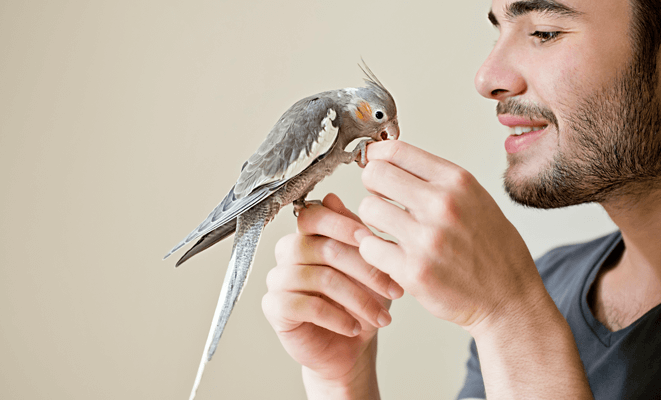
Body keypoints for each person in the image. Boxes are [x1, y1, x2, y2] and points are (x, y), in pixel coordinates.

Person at [261, 0, 661, 398]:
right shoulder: (549, 283)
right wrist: (342, 381)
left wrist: (511, 318)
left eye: (544, 32)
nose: (487, 78)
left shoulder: (517, 300)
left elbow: (511, 312)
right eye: (498, 32)